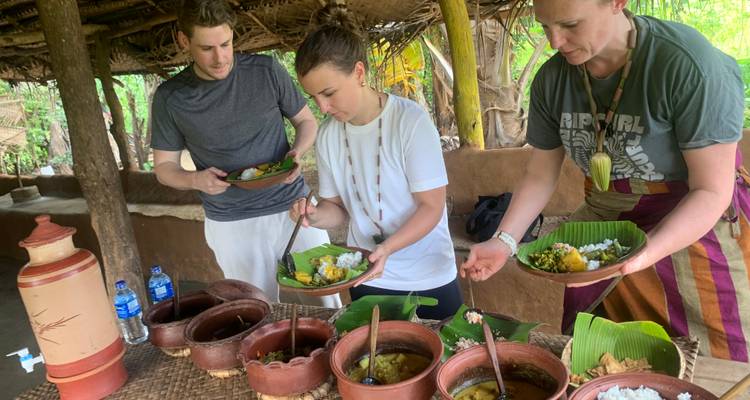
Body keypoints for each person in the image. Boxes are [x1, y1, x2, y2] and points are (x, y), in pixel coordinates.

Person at [461, 0, 749, 361]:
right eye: (544, 27)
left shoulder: (688, 66)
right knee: (603, 359)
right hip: (602, 235)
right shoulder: (553, 80)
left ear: (617, 3)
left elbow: (711, 190)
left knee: (714, 360)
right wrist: (503, 242)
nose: (554, 42)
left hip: (689, 232)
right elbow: (540, 174)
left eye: (570, 25)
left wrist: (641, 255)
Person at [150, 0, 340, 308]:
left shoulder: (266, 71)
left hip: (294, 207)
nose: (220, 57)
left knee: (327, 296)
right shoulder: (171, 98)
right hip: (231, 221)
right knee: (256, 309)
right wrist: (197, 180)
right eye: (207, 48)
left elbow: (306, 121)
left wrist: (297, 151)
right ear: (184, 41)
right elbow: (165, 168)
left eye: (225, 44)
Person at [289, 4, 463, 320]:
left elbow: (431, 206)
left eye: (329, 93)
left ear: (358, 73)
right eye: (313, 98)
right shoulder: (329, 135)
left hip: (428, 275)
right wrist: (314, 216)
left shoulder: (409, 121)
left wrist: (388, 248)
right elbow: (337, 210)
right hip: (366, 275)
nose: (323, 107)